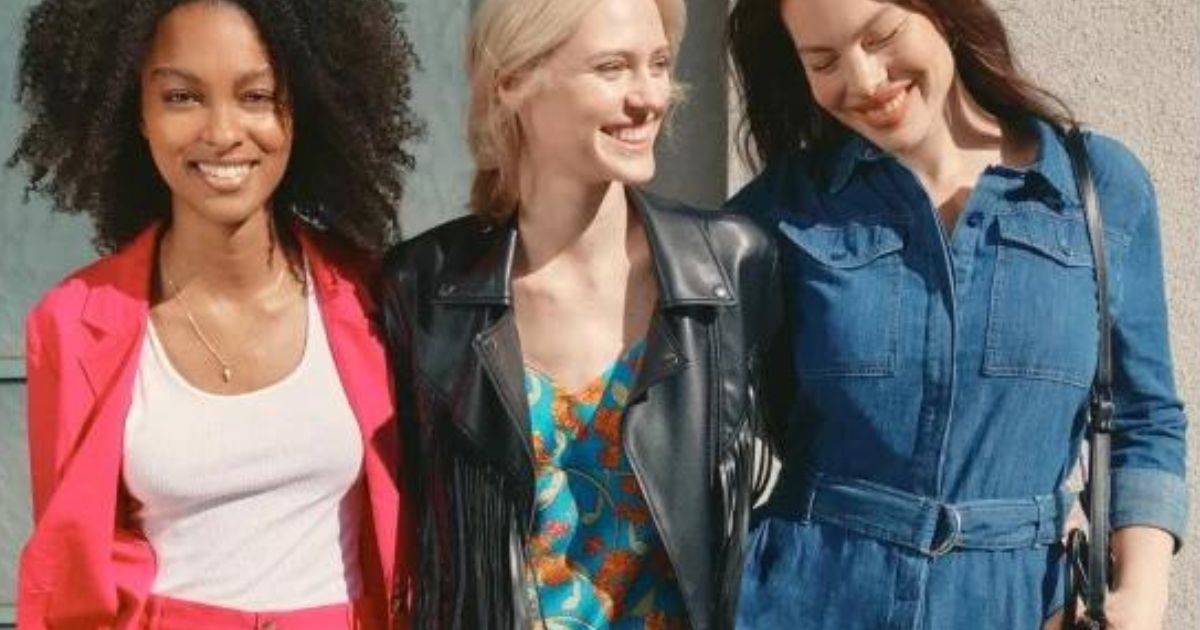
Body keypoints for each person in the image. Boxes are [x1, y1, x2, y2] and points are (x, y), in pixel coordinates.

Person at [725, 0, 1187, 628]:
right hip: (811, 596)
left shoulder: (1098, 187)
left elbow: (1144, 416)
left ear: (942, 14)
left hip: (1022, 602)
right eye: (823, 61)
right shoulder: (777, 212)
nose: (862, 81)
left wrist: (1139, 597)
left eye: (881, 35)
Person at [11, 0, 421, 627]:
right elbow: (71, 578)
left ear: (302, 108)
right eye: (181, 97)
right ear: (137, 113)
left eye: (256, 96)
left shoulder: (377, 299)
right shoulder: (72, 325)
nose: (223, 131)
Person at [378, 0, 786, 627]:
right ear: (512, 80)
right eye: (612, 67)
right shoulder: (424, 290)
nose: (650, 96)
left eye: (657, 64)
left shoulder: (728, 271)